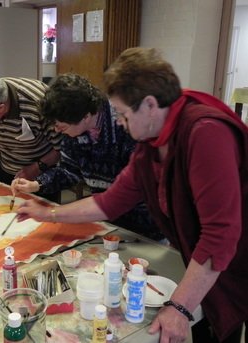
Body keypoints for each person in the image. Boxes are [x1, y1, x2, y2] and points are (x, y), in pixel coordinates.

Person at [16, 47, 248, 343]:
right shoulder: (152, 141)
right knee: (204, 319)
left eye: (124, 114)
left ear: (150, 105)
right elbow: (110, 201)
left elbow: (220, 234)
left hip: (236, 257)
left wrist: (179, 307)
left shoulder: (205, 132)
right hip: (204, 256)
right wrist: (47, 213)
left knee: (223, 320)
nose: (120, 123)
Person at [12, 73, 164, 241]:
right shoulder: (73, 129)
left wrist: (50, 213)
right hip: (107, 220)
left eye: (61, 126)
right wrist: (36, 184)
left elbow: (128, 194)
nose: (56, 130)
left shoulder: (127, 128)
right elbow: (68, 171)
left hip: (144, 223)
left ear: (85, 117)